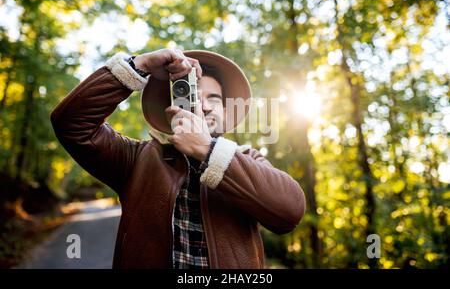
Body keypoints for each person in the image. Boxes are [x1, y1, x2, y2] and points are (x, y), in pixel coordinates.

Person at [50, 48, 306, 268]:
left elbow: (290, 212)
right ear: (171, 109)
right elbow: (70, 123)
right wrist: (141, 65)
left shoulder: (249, 159)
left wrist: (208, 149)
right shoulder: (137, 159)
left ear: (226, 112)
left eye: (213, 99)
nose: (204, 106)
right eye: (193, 97)